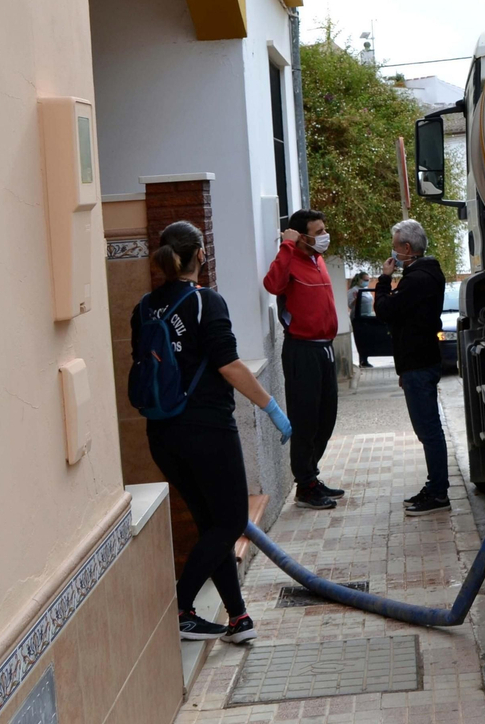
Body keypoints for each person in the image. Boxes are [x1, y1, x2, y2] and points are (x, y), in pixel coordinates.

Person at [133, 221, 293, 644]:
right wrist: (272, 407)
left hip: (162, 435)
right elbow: (229, 365)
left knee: (213, 525)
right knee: (231, 520)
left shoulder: (145, 306)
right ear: (201, 255)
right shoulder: (206, 302)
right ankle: (181, 607)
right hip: (206, 430)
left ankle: (238, 618)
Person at [262, 208, 341, 511]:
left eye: (324, 229)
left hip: (325, 348)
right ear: (302, 236)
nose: (324, 236)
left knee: (326, 416)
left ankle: (311, 475)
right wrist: (287, 245)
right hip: (302, 350)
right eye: (318, 231)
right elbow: (272, 285)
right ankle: (305, 485)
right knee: (306, 419)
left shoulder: (316, 260)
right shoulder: (291, 258)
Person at [372, 218, 450, 515]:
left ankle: (438, 493)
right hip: (419, 361)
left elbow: (384, 310)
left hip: (418, 363)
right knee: (427, 429)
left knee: (428, 430)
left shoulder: (417, 278)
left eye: (395, 248)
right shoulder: (427, 273)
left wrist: (383, 278)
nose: (394, 254)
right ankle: (434, 486)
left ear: (407, 248)